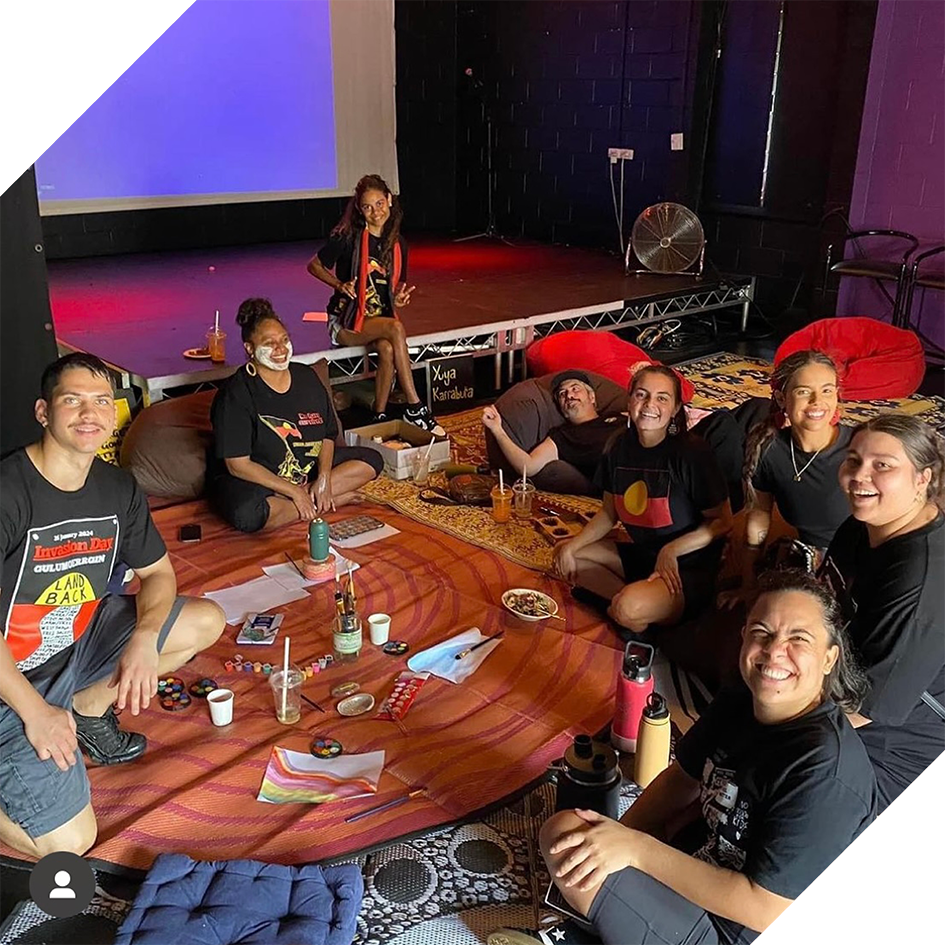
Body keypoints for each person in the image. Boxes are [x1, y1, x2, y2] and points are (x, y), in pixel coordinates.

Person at [489, 569, 877, 945]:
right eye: (762, 632)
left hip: (738, 926)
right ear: (743, 638)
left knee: (562, 837)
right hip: (700, 875)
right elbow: (682, 778)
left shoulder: (825, 770)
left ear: (829, 658)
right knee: (576, 839)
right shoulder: (741, 697)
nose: (775, 651)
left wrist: (637, 851)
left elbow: (766, 908)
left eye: (799, 638)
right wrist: (617, 840)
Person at [0, 353, 225, 858]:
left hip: (74, 642)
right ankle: (49, 721)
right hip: (9, 679)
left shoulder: (115, 486)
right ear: (43, 412)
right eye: (72, 400)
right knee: (70, 843)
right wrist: (36, 712)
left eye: (102, 401)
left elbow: (159, 574)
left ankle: (86, 708)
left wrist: (144, 638)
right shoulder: (7, 491)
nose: (90, 413)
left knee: (202, 619)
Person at [820, 413, 945, 810]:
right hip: (836, 673)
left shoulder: (920, 579)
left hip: (897, 740)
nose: (860, 476)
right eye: (854, 460)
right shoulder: (862, 526)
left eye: (883, 466)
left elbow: (864, 708)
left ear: (923, 477)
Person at [554, 365, 732, 637]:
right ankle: (634, 604)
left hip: (687, 566)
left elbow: (723, 521)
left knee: (627, 608)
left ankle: (637, 616)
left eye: (662, 397)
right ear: (630, 400)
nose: (650, 404)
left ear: (674, 409)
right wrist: (570, 546)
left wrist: (672, 550)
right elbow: (608, 513)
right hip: (644, 556)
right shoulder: (617, 446)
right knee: (569, 557)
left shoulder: (691, 453)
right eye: (642, 394)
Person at [210, 299, 384, 533]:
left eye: (284, 340)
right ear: (249, 348)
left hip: (306, 471)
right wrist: (293, 492)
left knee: (371, 461)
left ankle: (314, 497)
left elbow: (328, 435)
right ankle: (323, 502)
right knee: (247, 513)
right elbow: (238, 465)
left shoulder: (307, 378)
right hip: (263, 481)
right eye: (269, 343)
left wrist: (323, 478)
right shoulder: (236, 394)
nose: (280, 350)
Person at [306, 173, 442, 434]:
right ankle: (415, 406)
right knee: (395, 329)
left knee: (388, 349)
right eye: (367, 207)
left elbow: (387, 295)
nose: (375, 212)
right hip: (346, 323)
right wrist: (338, 284)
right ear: (359, 209)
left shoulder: (397, 244)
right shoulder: (348, 237)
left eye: (379, 203)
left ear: (389, 200)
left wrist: (398, 299)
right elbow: (314, 265)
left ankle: (378, 416)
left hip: (374, 321)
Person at [721, 351, 851, 608]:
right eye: (804, 391)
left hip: (860, 559)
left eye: (827, 391)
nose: (817, 402)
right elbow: (758, 517)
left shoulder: (857, 448)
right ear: (782, 399)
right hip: (807, 558)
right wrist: (748, 585)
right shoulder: (769, 450)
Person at [481, 371, 622, 482]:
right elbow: (527, 467)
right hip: (624, 472)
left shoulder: (617, 415)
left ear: (592, 397)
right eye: (562, 394)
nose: (569, 395)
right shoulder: (563, 436)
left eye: (575, 389)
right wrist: (497, 429)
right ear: (561, 408)